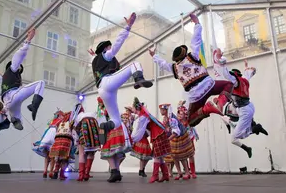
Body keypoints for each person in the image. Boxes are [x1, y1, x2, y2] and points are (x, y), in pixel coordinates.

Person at [149, 14, 233, 127]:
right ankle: (220, 102)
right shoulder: (192, 56)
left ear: (176, 59)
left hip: (196, 96)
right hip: (209, 85)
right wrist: (197, 24)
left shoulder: (174, 68)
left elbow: (163, 64)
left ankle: (207, 109)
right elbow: (196, 41)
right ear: (185, 53)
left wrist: (154, 55)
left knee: (191, 121)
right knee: (228, 84)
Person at [90, 12, 153, 141]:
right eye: (109, 46)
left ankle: (104, 126)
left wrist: (93, 55)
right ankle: (138, 79)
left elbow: (98, 64)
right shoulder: (107, 54)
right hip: (107, 82)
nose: (110, 48)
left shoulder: (96, 60)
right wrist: (128, 26)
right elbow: (118, 44)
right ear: (105, 49)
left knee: (116, 120)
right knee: (134, 64)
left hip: (103, 91)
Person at [219, 59, 268, 158]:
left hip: (244, 110)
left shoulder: (236, 82)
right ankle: (252, 125)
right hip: (247, 106)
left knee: (234, 138)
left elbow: (227, 75)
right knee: (228, 115)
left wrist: (222, 64)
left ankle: (254, 129)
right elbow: (249, 73)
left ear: (235, 76)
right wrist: (246, 66)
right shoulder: (244, 80)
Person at [1, 29, 45, 130]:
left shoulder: (7, 76)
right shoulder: (12, 68)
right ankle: (34, 105)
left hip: (9, 102)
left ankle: (14, 119)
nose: (19, 69)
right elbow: (19, 55)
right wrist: (28, 40)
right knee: (41, 83)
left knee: (17, 116)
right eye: (19, 68)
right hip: (12, 95)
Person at [131, 97, 171, 183]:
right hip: (159, 134)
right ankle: (165, 175)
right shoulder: (143, 115)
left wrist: (132, 138)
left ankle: (155, 176)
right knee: (160, 157)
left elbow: (139, 131)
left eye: (132, 107)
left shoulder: (143, 117)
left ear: (136, 108)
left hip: (158, 135)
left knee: (157, 156)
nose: (131, 108)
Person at [160, 104, 195, 180]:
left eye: (162, 110)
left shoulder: (172, 118)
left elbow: (176, 132)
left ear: (166, 110)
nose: (161, 111)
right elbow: (168, 129)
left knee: (182, 155)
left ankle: (187, 173)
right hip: (174, 137)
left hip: (181, 136)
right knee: (174, 155)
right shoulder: (166, 118)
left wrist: (167, 139)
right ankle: (179, 173)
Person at [33, 110, 64, 178]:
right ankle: (51, 172)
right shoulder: (61, 121)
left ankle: (45, 171)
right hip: (53, 137)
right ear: (60, 115)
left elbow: (46, 130)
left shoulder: (52, 121)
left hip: (46, 137)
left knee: (47, 155)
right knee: (52, 155)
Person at [74, 105, 100, 181]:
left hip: (84, 128)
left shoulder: (77, 116)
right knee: (91, 153)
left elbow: (76, 129)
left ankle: (81, 175)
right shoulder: (92, 113)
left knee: (82, 153)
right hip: (94, 127)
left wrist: (77, 141)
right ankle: (86, 173)